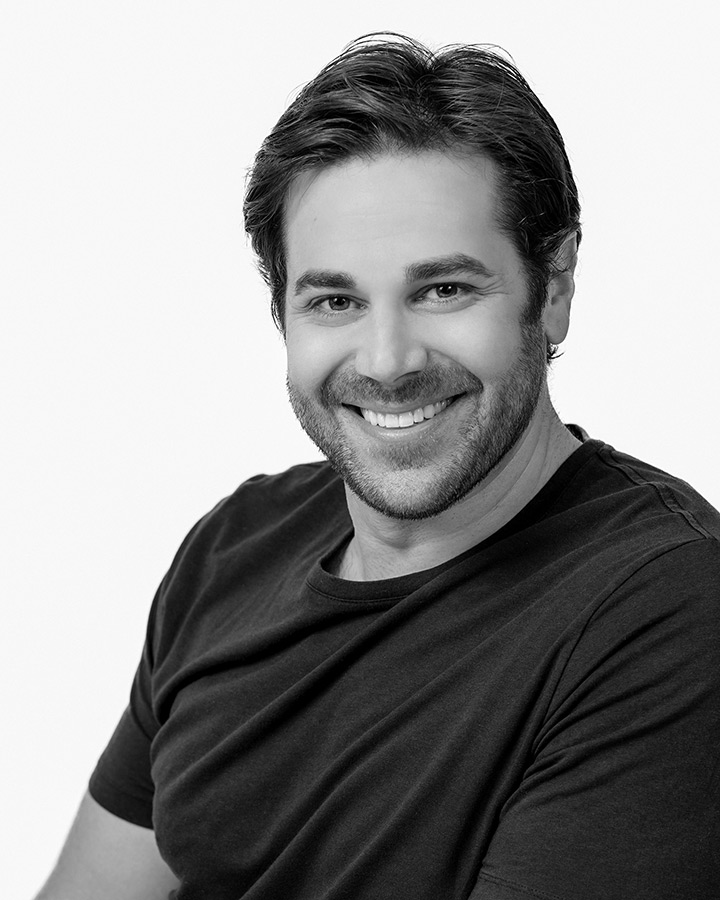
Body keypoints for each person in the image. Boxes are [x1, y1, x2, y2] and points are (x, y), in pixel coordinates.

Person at [36, 34, 720, 900]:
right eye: (336, 300)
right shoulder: (233, 547)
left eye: (444, 290)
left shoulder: (670, 608)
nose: (388, 361)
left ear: (553, 288)